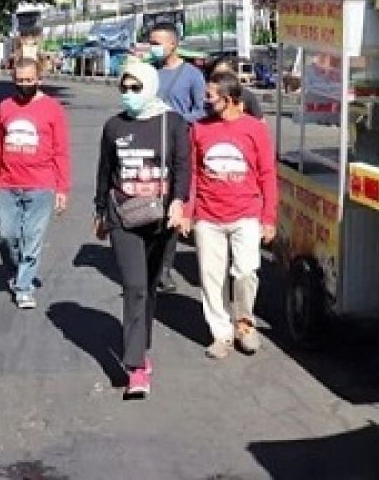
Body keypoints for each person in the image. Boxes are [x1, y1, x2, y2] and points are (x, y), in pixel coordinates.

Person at [94, 59, 189, 398]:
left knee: (149, 288)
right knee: (134, 287)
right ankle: (136, 367)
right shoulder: (114, 126)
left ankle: (141, 341)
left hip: (162, 220)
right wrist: (100, 211)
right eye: (124, 88)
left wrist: (180, 202)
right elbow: (105, 172)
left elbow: (182, 168)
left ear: (149, 87)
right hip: (123, 217)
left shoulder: (173, 123)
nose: (129, 94)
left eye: (136, 88)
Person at [179, 70, 277, 360]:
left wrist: (269, 218)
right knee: (212, 278)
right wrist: (187, 211)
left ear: (230, 98)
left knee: (246, 271)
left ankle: (245, 325)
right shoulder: (198, 129)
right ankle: (221, 333)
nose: (205, 101)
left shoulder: (254, 129)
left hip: (246, 214)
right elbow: (192, 174)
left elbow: (267, 173)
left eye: (210, 96)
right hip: (208, 217)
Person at [0, 57, 70, 309]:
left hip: (41, 185)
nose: (24, 85)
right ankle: (16, 271)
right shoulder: (5, 107)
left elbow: (61, 150)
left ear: (39, 80)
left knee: (32, 237)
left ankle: (24, 286)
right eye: (19, 81)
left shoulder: (52, 108)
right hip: (7, 183)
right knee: (6, 236)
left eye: (29, 80)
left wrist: (62, 188)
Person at [147, 21, 206, 294]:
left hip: (178, 147)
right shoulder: (149, 73)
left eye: (158, 43)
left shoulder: (192, 75)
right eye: (151, 43)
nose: (154, 48)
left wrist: (176, 120)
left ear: (173, 44)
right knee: (148, 204)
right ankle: (147, 262)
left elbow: (201, 110)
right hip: (149, 146)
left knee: (173, 205)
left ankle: (164, 268)